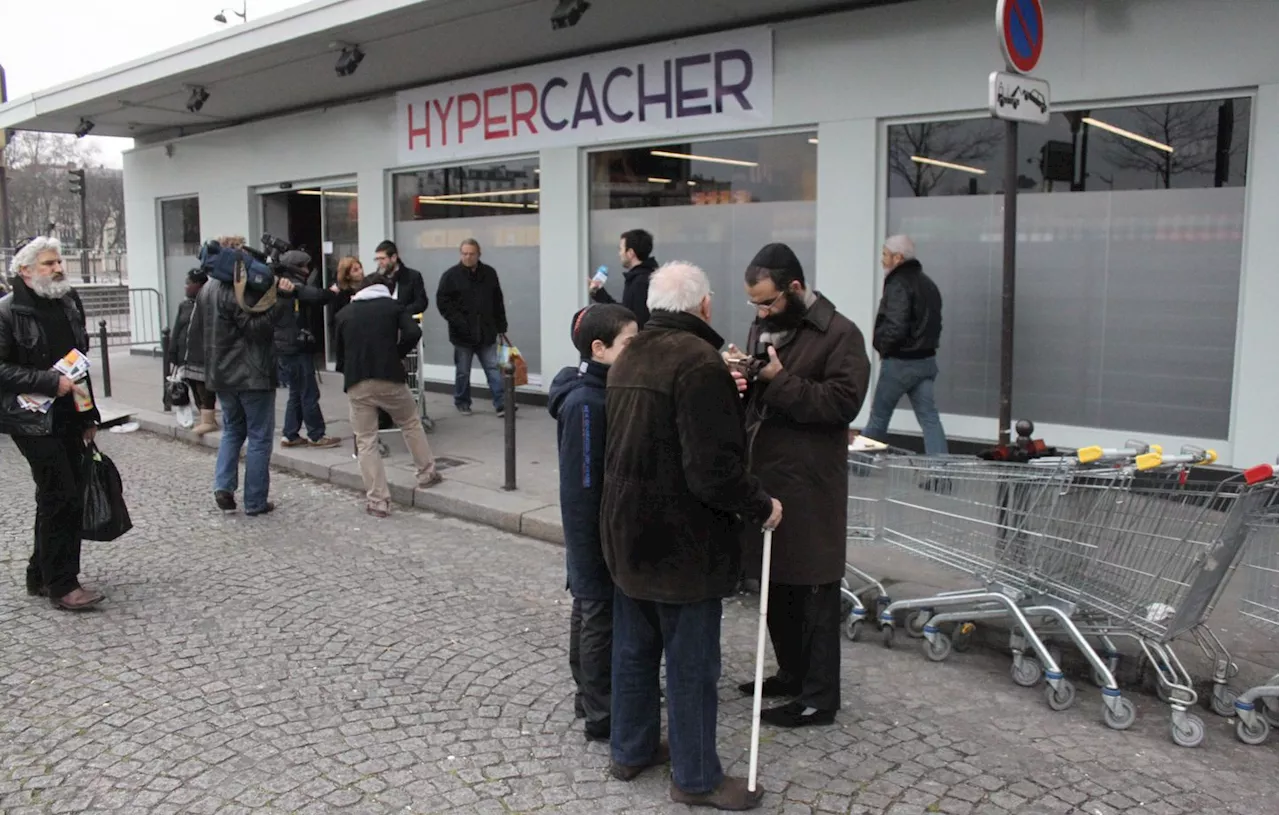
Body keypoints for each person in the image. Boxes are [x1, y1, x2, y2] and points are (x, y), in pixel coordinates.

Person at [602, 261, 782, 811]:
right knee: (691, 661)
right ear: (703, 307)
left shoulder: (629, 353)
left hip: (627, 530)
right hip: (682, 542)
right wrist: (762, 505)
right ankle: (697, 777)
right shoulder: (699, 363)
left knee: (634, 649)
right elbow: (713, 470)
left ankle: (629, 750)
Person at [728, 243, 870, 729]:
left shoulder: (841, 334)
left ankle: (818, 698)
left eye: (766, 302)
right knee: (775, 583)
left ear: (794, 288)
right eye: (754, 305)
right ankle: (791, 674)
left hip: (811, 483)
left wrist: (779, 379)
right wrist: (744, 378)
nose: (760, 312)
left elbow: (842, 403)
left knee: (812, 590)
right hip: (768, 477)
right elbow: (763, 387)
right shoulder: (765, 325)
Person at [548, 304, 639, 744]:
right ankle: (601, 713)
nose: (637, 350)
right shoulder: (587, 402)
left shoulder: (599, 389)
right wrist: (593, 542)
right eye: (630, 344)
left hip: (597, 530)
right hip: (592, 532)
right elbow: (584, 483)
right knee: (597, 613)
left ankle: (589, 696)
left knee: (589, 610)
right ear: (599, 349)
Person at [0, 237, 104, 610]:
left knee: (58, 494)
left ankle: (40, 574)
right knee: (62, 494)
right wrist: (47, 382)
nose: (58, 268)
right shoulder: (8, 311)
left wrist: (88, 414)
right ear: (25, 272)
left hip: (69, 414)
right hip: (29, 419)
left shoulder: (69, 303)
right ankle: (63, 585)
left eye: (59, 261)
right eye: (48, 263)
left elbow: (80, 363)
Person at [189, 234, 289, 516]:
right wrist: (278, 301)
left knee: (233, 431)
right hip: (252, 374)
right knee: (258, 437)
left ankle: (223, 486)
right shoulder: (239, 286)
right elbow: (256, 329)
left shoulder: (208, 288)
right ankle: (255, 502)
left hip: (221, 375)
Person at [335, 272, 443, 517]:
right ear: (386, 289)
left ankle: (378, 500)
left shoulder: (344, 314)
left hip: (357, 382)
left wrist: (350, 370)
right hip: (390, 378)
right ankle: (426, 473)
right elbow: (414, 333)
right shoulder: (393, 307)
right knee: (410, 422)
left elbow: (340, 355)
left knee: (366, 439)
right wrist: (397, 354)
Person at [861, 235, 948, 456]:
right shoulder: (928, 283)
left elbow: (896, 325)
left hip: (900, 362)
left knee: (879, 416)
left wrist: (883, 347)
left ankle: (860, 468)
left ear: (897, 258)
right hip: (926, 362)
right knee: (929, 418)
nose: (882, 259)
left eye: (885, 254)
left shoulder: (898, 283)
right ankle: (941, 471)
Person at [273, 249, 340, 449]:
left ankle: (290, 434)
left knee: (296, 391)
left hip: (285, 346)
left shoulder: (279, 284)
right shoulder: (290, 286)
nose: (308, 269)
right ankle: (316, 435)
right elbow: (317, 296)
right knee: (308, 392)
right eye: (305, 266)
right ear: (296, 267)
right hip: (295, 347)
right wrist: (333, 291)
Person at [436, 238, 510, 417]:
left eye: (471, 254)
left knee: (493, 368)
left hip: (486, 331)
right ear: (460, 254)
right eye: (464, 253)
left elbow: (497, 300)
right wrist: (458, 321)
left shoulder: (489, 274)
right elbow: (443, 303)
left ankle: (502, 403)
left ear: (479, 254)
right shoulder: (451, 276)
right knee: (463, 371)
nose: (468, 257)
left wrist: (501, 325)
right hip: (462, 334)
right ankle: (462, 402)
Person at [172, 268, 218, 435]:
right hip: (186, 356)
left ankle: (209, 420)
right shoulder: (184, 305)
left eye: (189, 283)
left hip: (202, 355)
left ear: (199, 286)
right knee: (192, 385)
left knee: (204, 387)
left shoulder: (209, 305)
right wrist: (172, 351)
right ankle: (203, 417)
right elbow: (177, 329)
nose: (186, 286)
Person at [589, 228, 658, 328]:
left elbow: (635, 319)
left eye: (621, 249)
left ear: (630, 253)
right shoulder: (640, 277)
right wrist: (599, 293)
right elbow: (626, 311)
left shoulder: (641, 282)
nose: (619, 253)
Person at [373, 240, 429, 316]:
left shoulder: (412, 276)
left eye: (382, 259)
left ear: (394, 257)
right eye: (377, 259)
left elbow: (421, 302)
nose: (379, 263)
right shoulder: (375, 279)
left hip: (406, 322)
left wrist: (402, 311)